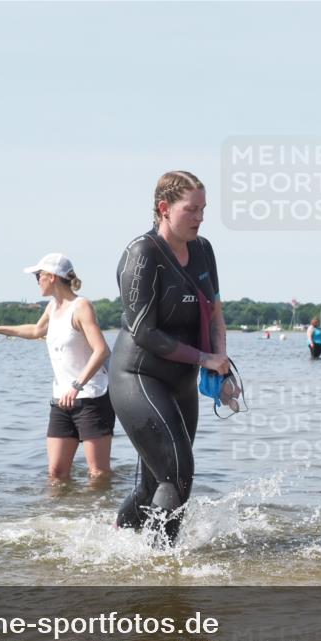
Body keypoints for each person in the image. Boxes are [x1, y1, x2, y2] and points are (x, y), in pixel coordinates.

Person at [111, 170, 230, 543]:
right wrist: (203, 359)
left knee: (154, 484)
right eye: (191, 209)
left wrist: (221, 365)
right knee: (178, 473)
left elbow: (214, 313)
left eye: (203, 209)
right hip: (137, 376)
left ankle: (118, 538)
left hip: (181, 382)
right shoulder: (142, 254)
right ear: (164, 208)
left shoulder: (204, 250)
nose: (200, 217)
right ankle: (160, 563)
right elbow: (144, 332)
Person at [0, 253, 114, 483]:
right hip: (61, 401)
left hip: (91, 398)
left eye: (38, 276)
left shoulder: (81, 306)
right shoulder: (53, 307)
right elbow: (35, 331)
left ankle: (101, 516)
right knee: (56, 474)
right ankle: (60, 517)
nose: (37, 281)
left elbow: (102, 350)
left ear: (51, 277)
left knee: (98, 474)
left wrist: (76, 386)